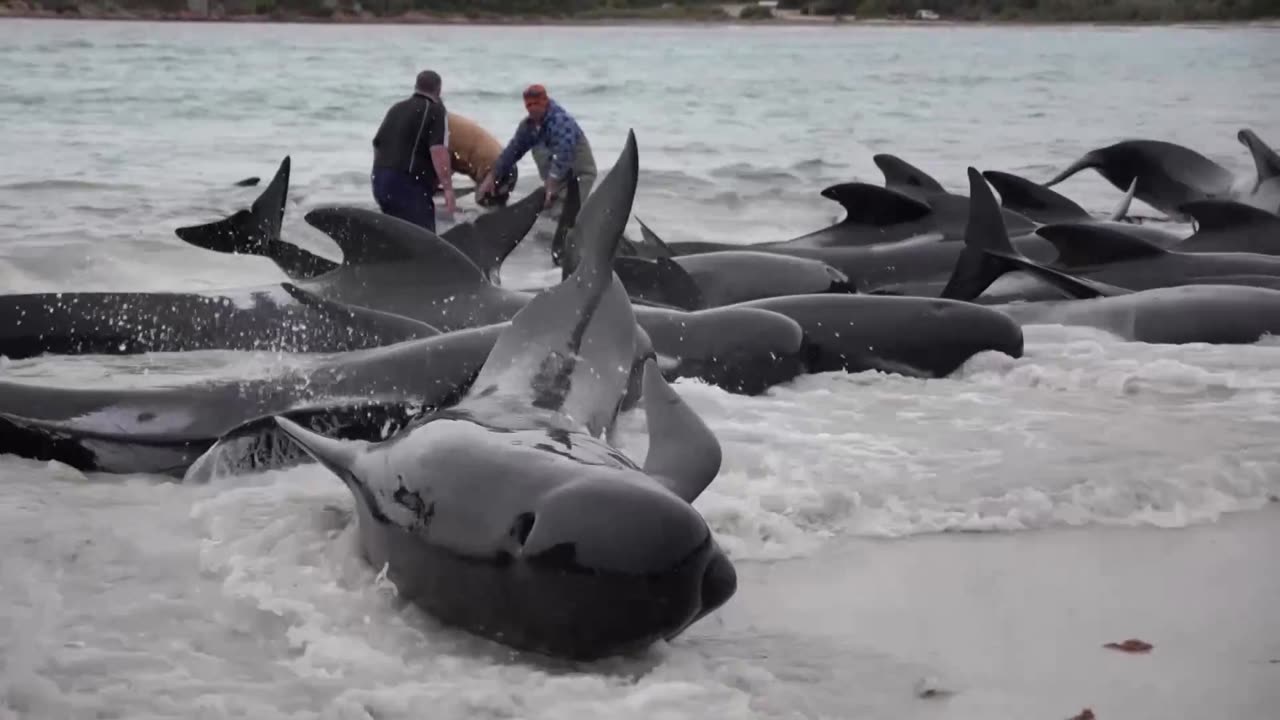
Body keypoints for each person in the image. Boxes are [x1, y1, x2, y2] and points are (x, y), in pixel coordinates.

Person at [476, 84, 597, 215]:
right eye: (529, 105)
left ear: (545, 101)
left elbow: (564, 153)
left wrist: (551, 184)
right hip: (555, 179)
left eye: (536, 104)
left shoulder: (560, 121)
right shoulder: (529, 126)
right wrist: (492, 176)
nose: (532, 109)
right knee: (543, 215)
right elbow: (512, 151)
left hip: (579, 175)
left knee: (562, 215)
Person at [370, 69, 455, 233]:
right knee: (424, 239)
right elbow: (438, 151)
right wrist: (448, 189)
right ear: (438, 90)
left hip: (380, 183)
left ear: (416, 86)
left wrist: (382, 176)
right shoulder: (435, 110)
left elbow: (377, 144)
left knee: (397, 235)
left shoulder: (396, 108)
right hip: (407, 185)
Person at [444, 112, 518, 208]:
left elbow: (443, 162)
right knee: (494, 210)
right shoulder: (445, 120)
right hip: (507, 164)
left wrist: (445, 188)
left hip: (496, 170)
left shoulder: (438, 127)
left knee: (490, 211)